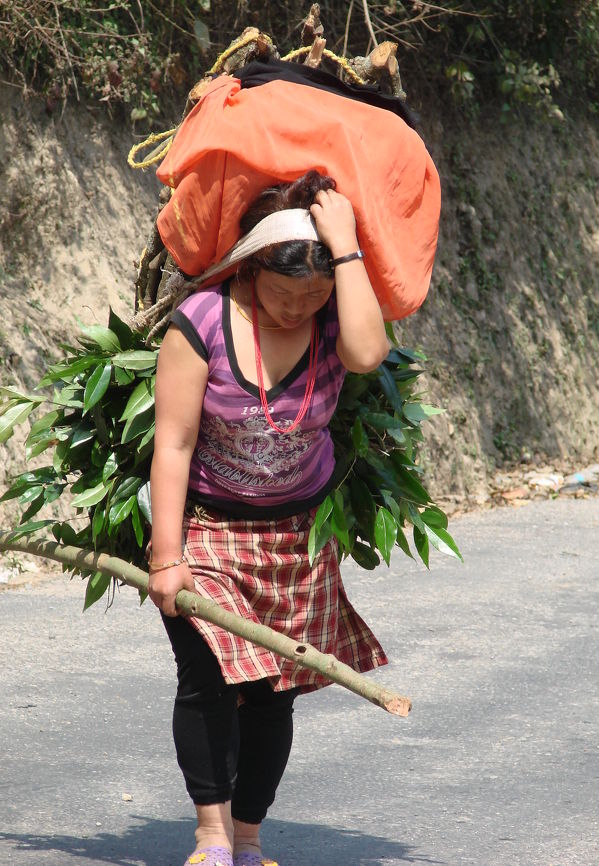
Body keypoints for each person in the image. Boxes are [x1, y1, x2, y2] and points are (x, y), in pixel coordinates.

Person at [147, 170, 390, 866]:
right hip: (208, 528)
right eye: (284, 294)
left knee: (272, 692)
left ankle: (250, 839)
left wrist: (344, 248)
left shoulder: (338, 320)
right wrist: (168, 555)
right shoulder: (201, 323)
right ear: (252, 269)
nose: (296, 310)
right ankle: (212, 836)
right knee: (208, 680)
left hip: (295, 538)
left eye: (313, 298)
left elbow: (370, 355)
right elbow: (175, 443)